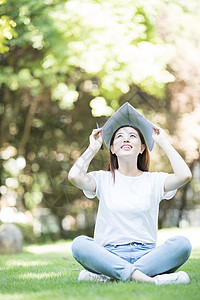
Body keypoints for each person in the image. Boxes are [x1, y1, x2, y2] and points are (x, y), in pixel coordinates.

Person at [68, 102, 192, 285]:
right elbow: (74, 176)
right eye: (119, 137)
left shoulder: (155, 180)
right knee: (79, 244)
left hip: (147, 255)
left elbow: (185, 175)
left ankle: (110, 277)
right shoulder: (102, 179)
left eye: (132, 136)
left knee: (182, 244)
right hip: (109, 254)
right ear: (112, 148)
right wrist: (93, 148)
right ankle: (150, 280)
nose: (126, 139)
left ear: (142, 147)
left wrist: (163, 141)